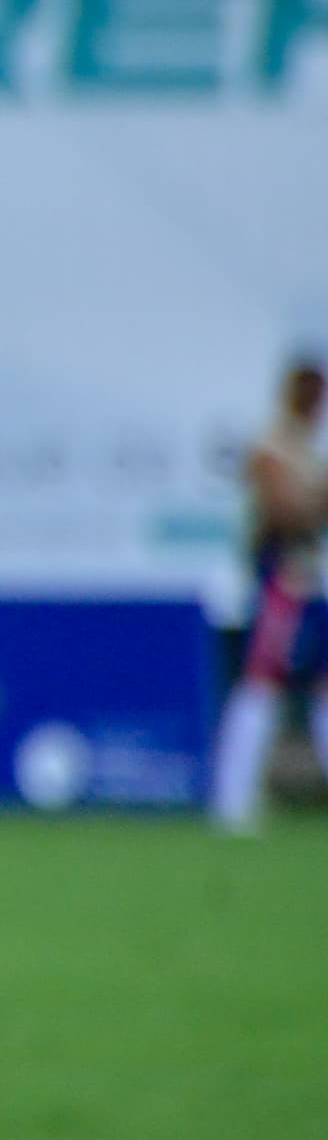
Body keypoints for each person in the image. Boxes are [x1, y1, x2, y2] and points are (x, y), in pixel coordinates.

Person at [210, 353, 327, 835]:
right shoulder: (272, 445)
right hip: (281, 577)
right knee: (263, 679)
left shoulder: (307, 450)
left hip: (310, 576)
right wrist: (313, 501)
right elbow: (287, 513)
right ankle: (232, 799)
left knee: (322, 683)